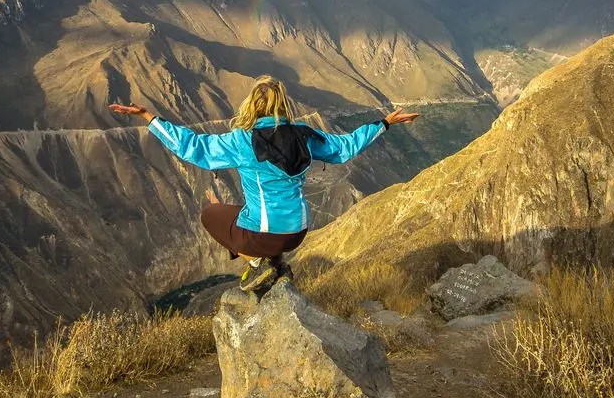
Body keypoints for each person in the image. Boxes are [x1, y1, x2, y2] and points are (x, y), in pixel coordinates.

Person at [110, 75, 419, 293]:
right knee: (245, 210)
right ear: (283, 104)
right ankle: (277, 266)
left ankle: (259, 264)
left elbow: (194, 148)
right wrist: (385, 123)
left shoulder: (244, 140)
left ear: (251, 106)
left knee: (211, 214)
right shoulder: (304, 134)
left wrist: (149, 117)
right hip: (297, 232)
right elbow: (346, 146)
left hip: (265, 236)